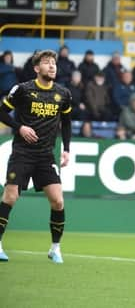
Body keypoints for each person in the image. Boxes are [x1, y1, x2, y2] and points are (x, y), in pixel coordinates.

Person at [0, 50, 72, 263]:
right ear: (36, 68)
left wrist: (66, 149)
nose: (52, 66)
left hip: (45, 155)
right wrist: (19, 127)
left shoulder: (63, 94)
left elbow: (66, 122)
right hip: (22, 153)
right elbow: (2, 112)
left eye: (54, 63)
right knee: (10, 197)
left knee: (58, 201)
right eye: (47, 63)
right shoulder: (22, 90)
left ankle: (55, 248)